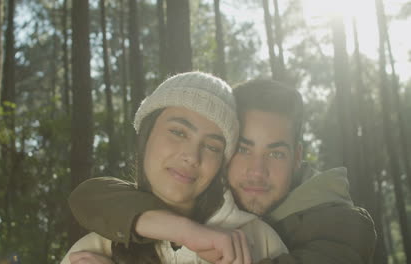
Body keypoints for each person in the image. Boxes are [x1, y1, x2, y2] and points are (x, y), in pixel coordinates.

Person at [68, 79, 377, 263]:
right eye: (243, 148)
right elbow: (92, 196)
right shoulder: (198, 203)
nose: (257, 171)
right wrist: (179, 229)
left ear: (297, 158)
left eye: (276, 153)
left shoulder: (341, 228)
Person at [61, 72, 288, 264]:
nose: (191, 156)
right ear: (146, 135)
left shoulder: (261, 240)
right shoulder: (93, 250)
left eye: (211, 146)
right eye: (178, 132)